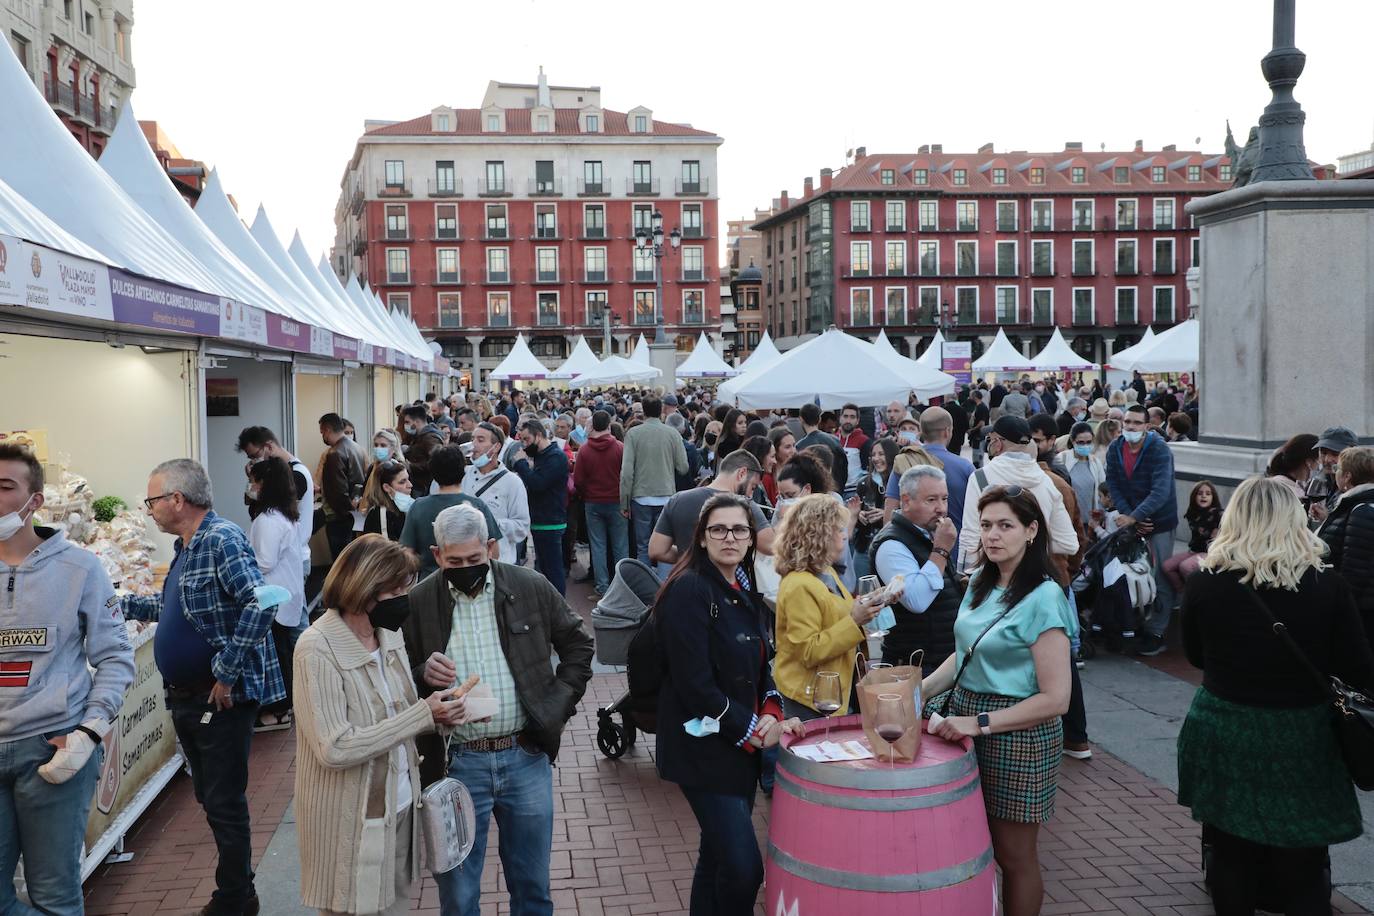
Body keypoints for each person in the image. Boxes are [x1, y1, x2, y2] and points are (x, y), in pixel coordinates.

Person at [1177, 477, 1374, 915]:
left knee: (1229, 852)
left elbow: (1194, 655)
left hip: (1224, 723)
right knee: (1303, 857)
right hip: (1301, 731)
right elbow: (1357, 666)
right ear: (1295, 519)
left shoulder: (1205, 583)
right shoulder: (1327, 585)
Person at [399, 504, 594, 916]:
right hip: (456, 764)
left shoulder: (529, 586)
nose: (466, 568)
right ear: (437, 556)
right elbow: (395, 678)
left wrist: (555, 708)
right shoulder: (418, 601)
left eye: (474, 559)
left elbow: (578, 644)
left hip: (525, 755)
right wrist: (420, 673)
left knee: (533, 888)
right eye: (454, 562)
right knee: (460, 894)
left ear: (492, 547)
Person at [121, 459, 284, 916]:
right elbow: (172, 605)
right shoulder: (186, 546)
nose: (148, 509)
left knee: (223, 798)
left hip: (220, 699)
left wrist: (227, 670)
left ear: (177, 499)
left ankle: (235, 897)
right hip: (189, 697)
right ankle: (237, 889)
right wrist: (121, 602)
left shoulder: (221, 539)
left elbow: (262, 602)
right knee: (211, 796)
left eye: (153, 499)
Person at [922, 486, 1076, 916]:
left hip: (1019, 737)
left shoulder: (1044, 596)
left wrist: (979, 722)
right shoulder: (980, 581)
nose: (993, 535)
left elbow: (1056, 698)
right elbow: (964, 654)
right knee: (974, 845)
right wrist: (917, 692)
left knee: (1015, 856)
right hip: (965, 720)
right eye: (987, 524)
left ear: (1031, 531)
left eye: (1005, 525)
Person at [293, 535, 465, 916]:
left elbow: (399, 714)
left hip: (401, 807)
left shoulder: (388, 634)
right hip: (350, 822)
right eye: (398, 589)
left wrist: (442, 716)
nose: (406, 597)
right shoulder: (316, 648)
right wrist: (423, 714)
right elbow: (335, 746)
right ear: (365, 589)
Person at [0, 443, 134, 915]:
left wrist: (89, 731)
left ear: (34, 500)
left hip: (53, 751)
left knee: (55, 897)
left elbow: (117, 656)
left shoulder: (79, 568)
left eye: (4, 487)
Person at [654, 494, 804, 915]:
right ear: (701, 538)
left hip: (736, 744)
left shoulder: (742, 584)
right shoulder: (689, 590)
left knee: (716, 857)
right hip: (703, 747)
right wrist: (751, 730)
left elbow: (760, 665)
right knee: (743, 869)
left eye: (739, 529)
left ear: (751, 537)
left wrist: (772, 712)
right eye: (718, 529)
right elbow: (694, 683)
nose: (730, 537)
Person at [773, 493, 889, 718]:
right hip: (808, 702)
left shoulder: (826, 572)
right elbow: (808, 650)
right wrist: (855, 620)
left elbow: (838, 613)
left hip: (830, 693)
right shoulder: (798, 585)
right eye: (839, 529)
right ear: (819, 534)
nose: (845, 536)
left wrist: (878, 598)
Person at [957, 416, 1079, 576]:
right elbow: (1069, 544)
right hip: (1035, 577)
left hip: (993, 577)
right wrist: (1029, 544)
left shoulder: (981, 478)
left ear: (997, 443)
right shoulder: (1045, 481)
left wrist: (966, 573)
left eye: (990, 439)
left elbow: (970, 533)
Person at [870, 466, 962, 673]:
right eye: (931, 500)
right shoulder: (891, 544)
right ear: (906, 501)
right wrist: (941, 550)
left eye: (944, 498)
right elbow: (917, 600)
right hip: (915, 665)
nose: (941, 508)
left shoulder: (926, 533)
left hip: (942, 659)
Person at [1105, 404, 1178, 656]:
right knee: (1130, 571)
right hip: (1133, 519)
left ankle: (1156, 630)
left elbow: (1161, 491)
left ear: (1147, 426)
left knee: (1160, 575)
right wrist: (1131, 517)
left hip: (1159, 522)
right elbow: (1113, 483)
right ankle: (1132, 621)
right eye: (1127, 422)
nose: (1131, 427)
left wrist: (1136, 517)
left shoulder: (1159, 449)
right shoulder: (1116, 447)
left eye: (1137, 423)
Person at [247, 458, 306, 730]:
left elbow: (264, 561)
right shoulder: (284, 515)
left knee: (278, 657)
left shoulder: (268, 520)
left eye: (255, 481)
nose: (251, 487)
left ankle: (277, 710)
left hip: (273, 599)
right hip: (287, 595)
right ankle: (283, 708)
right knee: (283, 652)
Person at [649, 450, 776, 566]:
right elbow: (772, 546)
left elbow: (657, 550)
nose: (750, 495)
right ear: (742, 473)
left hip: (686, 581)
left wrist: (688, 557)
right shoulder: (742, 505)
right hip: (725, 585)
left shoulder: (677, 500)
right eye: (752, 487)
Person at [399, 446, 502, 580]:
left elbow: (407, 553)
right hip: (471, 580)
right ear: (463, 471)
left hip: (429, 583)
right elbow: (494, 552)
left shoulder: (418, 507)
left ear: (433, 473)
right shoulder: (477, 506)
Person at [883, 407, 973, 553]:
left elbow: (889, 513)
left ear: (922, 431)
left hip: (914, 552)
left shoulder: (904, 461)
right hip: (956, 549)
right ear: (947, 431)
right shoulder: (965, 467)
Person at [235, 427, 313, 577]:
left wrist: (254, 480)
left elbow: (261, 504)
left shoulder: (296, 474)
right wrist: (252, 479)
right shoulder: (279, 475)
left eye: (255, 456)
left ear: (269, 447)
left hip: (289, 558)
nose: (253, 462)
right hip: (279, 556)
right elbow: (252, 501)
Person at [620, 396, 688, 565]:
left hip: (640, 496)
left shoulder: (633, 434)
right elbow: (683, 467)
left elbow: (627, 472)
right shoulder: (672, 433)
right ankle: (664, 587)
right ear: (662, 410)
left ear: (643, 410)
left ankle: (644, 587)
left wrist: (624, 502)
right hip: (666, 494)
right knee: (665, 546)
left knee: (643, 546)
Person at [1317, 446, 1374, 641]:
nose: (1335, 474)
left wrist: (1340, 609)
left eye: (1338, 470)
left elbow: (1356, 569)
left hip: (1362, 613)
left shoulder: (1362, 509)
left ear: (1348, 476)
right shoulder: (1356, 504)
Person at [513, 419, 570, 595]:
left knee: (553, 569)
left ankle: (560, 608)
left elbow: (538, 483)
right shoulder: (541, 456)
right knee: (544, 567)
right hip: (540, 519)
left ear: (538, 435)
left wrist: (521, 464)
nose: (524, 444)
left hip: (551, 521)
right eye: (521, 440)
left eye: (526, 439)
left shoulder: (555, 457)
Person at [574, 410, 628, 595]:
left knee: (598, 547)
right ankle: (622, 586)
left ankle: (602, 587)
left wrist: (586, 494)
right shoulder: (620, 447)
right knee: (621, 546)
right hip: (617, 502)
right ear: (609, 425)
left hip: (593, 502)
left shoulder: (585, 449)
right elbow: (627, 476)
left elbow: (578, 480)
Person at [461, 421, 530, 565]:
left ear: (496, 446)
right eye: (472, 439)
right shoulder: (463, 475)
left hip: (500, 561)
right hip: (466, 559)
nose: (474, 445)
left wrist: (492, 524)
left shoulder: (512, 482)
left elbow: (522, 527)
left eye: (480, 440)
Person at [1161, 481, 1223, 605]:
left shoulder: (1219, 514)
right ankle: (1183, 594)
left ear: (1213, 497)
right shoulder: (1192, 513)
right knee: (1167, 566)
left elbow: (1229, 530)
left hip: (1211, 552)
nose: (1204, 496)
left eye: (1208, 494)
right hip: (1195, 550)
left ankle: (1197, 597)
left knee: (1185, 566)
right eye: (1200, 493)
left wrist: (1220, 531)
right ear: (1194, 496)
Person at [319, 412, 368, 561]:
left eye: (322, 432)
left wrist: (344, 509)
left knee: (340, 560)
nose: (323, 436)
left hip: (339, 516)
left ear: (327, 430)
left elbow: (337, 491)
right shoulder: (356, 447)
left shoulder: (334, 453)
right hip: (355, 510)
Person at [851, 438, 891, 579]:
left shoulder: (900, 483)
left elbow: (909, 516)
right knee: (862, 592)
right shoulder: (863, 483)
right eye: (873, 454)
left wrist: (886, 514)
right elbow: (855, 513)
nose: (876, 458)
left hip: (888, 549)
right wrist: (858, 515)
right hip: (864, 547)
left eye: (881, 454)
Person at [1309, 426, 1360, 523]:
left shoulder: (1359, 485)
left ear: (1352, 454)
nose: (1327, 459)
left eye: (1335, 454)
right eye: (1323, 453)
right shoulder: (1319, 480)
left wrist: (1328, 520)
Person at [795, 403, 847, 493]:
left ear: (801, 419)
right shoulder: (834, 440)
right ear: (819, 419)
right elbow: (844, 469)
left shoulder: (800, 446)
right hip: (835, 491)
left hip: (813, 494)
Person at [1061, 422, 1106, 528]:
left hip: (1090, 522)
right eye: (1081, 442)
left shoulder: (1095, 462)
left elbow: (1102, 488)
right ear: (1073, 441)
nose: (1085, 445)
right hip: (1067, 521)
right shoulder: (1061, 460)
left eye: (1088, 442)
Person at [363, 460, 413, 542]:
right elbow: (388, 550)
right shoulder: (380, 514)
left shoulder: (402, 507)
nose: (410, 485)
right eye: (402, 482)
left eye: (408, 479)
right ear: (386, 487)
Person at [400, 405, 445, 496]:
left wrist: (411, 466)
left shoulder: (430, 438)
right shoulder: (419, 436)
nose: (406, 426)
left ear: (417, 422)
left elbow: (436, 462)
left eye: (407, 422)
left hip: (424, 487)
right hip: (420, 485)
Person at [1265, 433, 1319, 502]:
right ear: (1309, 462)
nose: (1320, 465)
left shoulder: (1275, 483)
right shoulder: (1294, 494)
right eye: (1318, 459)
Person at [836, 403, 873, 494]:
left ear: (857, 421)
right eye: (845, 416)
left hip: (854, 490)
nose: (848, 420)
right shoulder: (832, 440)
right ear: (840, 418)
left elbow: (868, 469)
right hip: (835, 490)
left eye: (852, 417)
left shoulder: (864, 441)